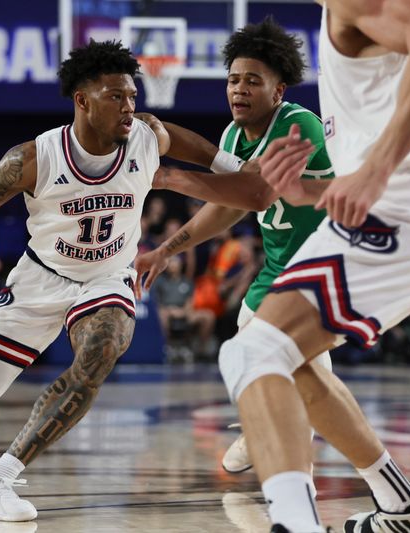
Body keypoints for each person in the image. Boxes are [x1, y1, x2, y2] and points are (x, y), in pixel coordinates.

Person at [0, 40, 272, 523]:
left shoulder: (147, 134)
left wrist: (234, 168)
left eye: (131, 95)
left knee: (103, 346)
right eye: (115, 96)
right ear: (82, 100)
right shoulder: (33, 158)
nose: (129, 107)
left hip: (108, 277)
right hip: (39, 281)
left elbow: (198, 148)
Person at [207, 0, 410, 531]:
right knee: (281, 357)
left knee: (251, 354)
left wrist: (376, 171)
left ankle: (296, 522)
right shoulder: (346, 18)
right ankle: (405, 508)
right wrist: (303, 190)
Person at [134, 17, 334, 475]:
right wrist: (168, 249)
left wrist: (166, 176)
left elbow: (256, 193)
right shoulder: (229, 138)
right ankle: (281, 439)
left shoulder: (297, 124)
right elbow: (228, 208)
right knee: (262, 349)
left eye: (252, 81)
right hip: (280, 266)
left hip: (329, 259)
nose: (238, 89)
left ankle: (295, 471)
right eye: (233, 79)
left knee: (291, 364)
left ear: (278, 91)